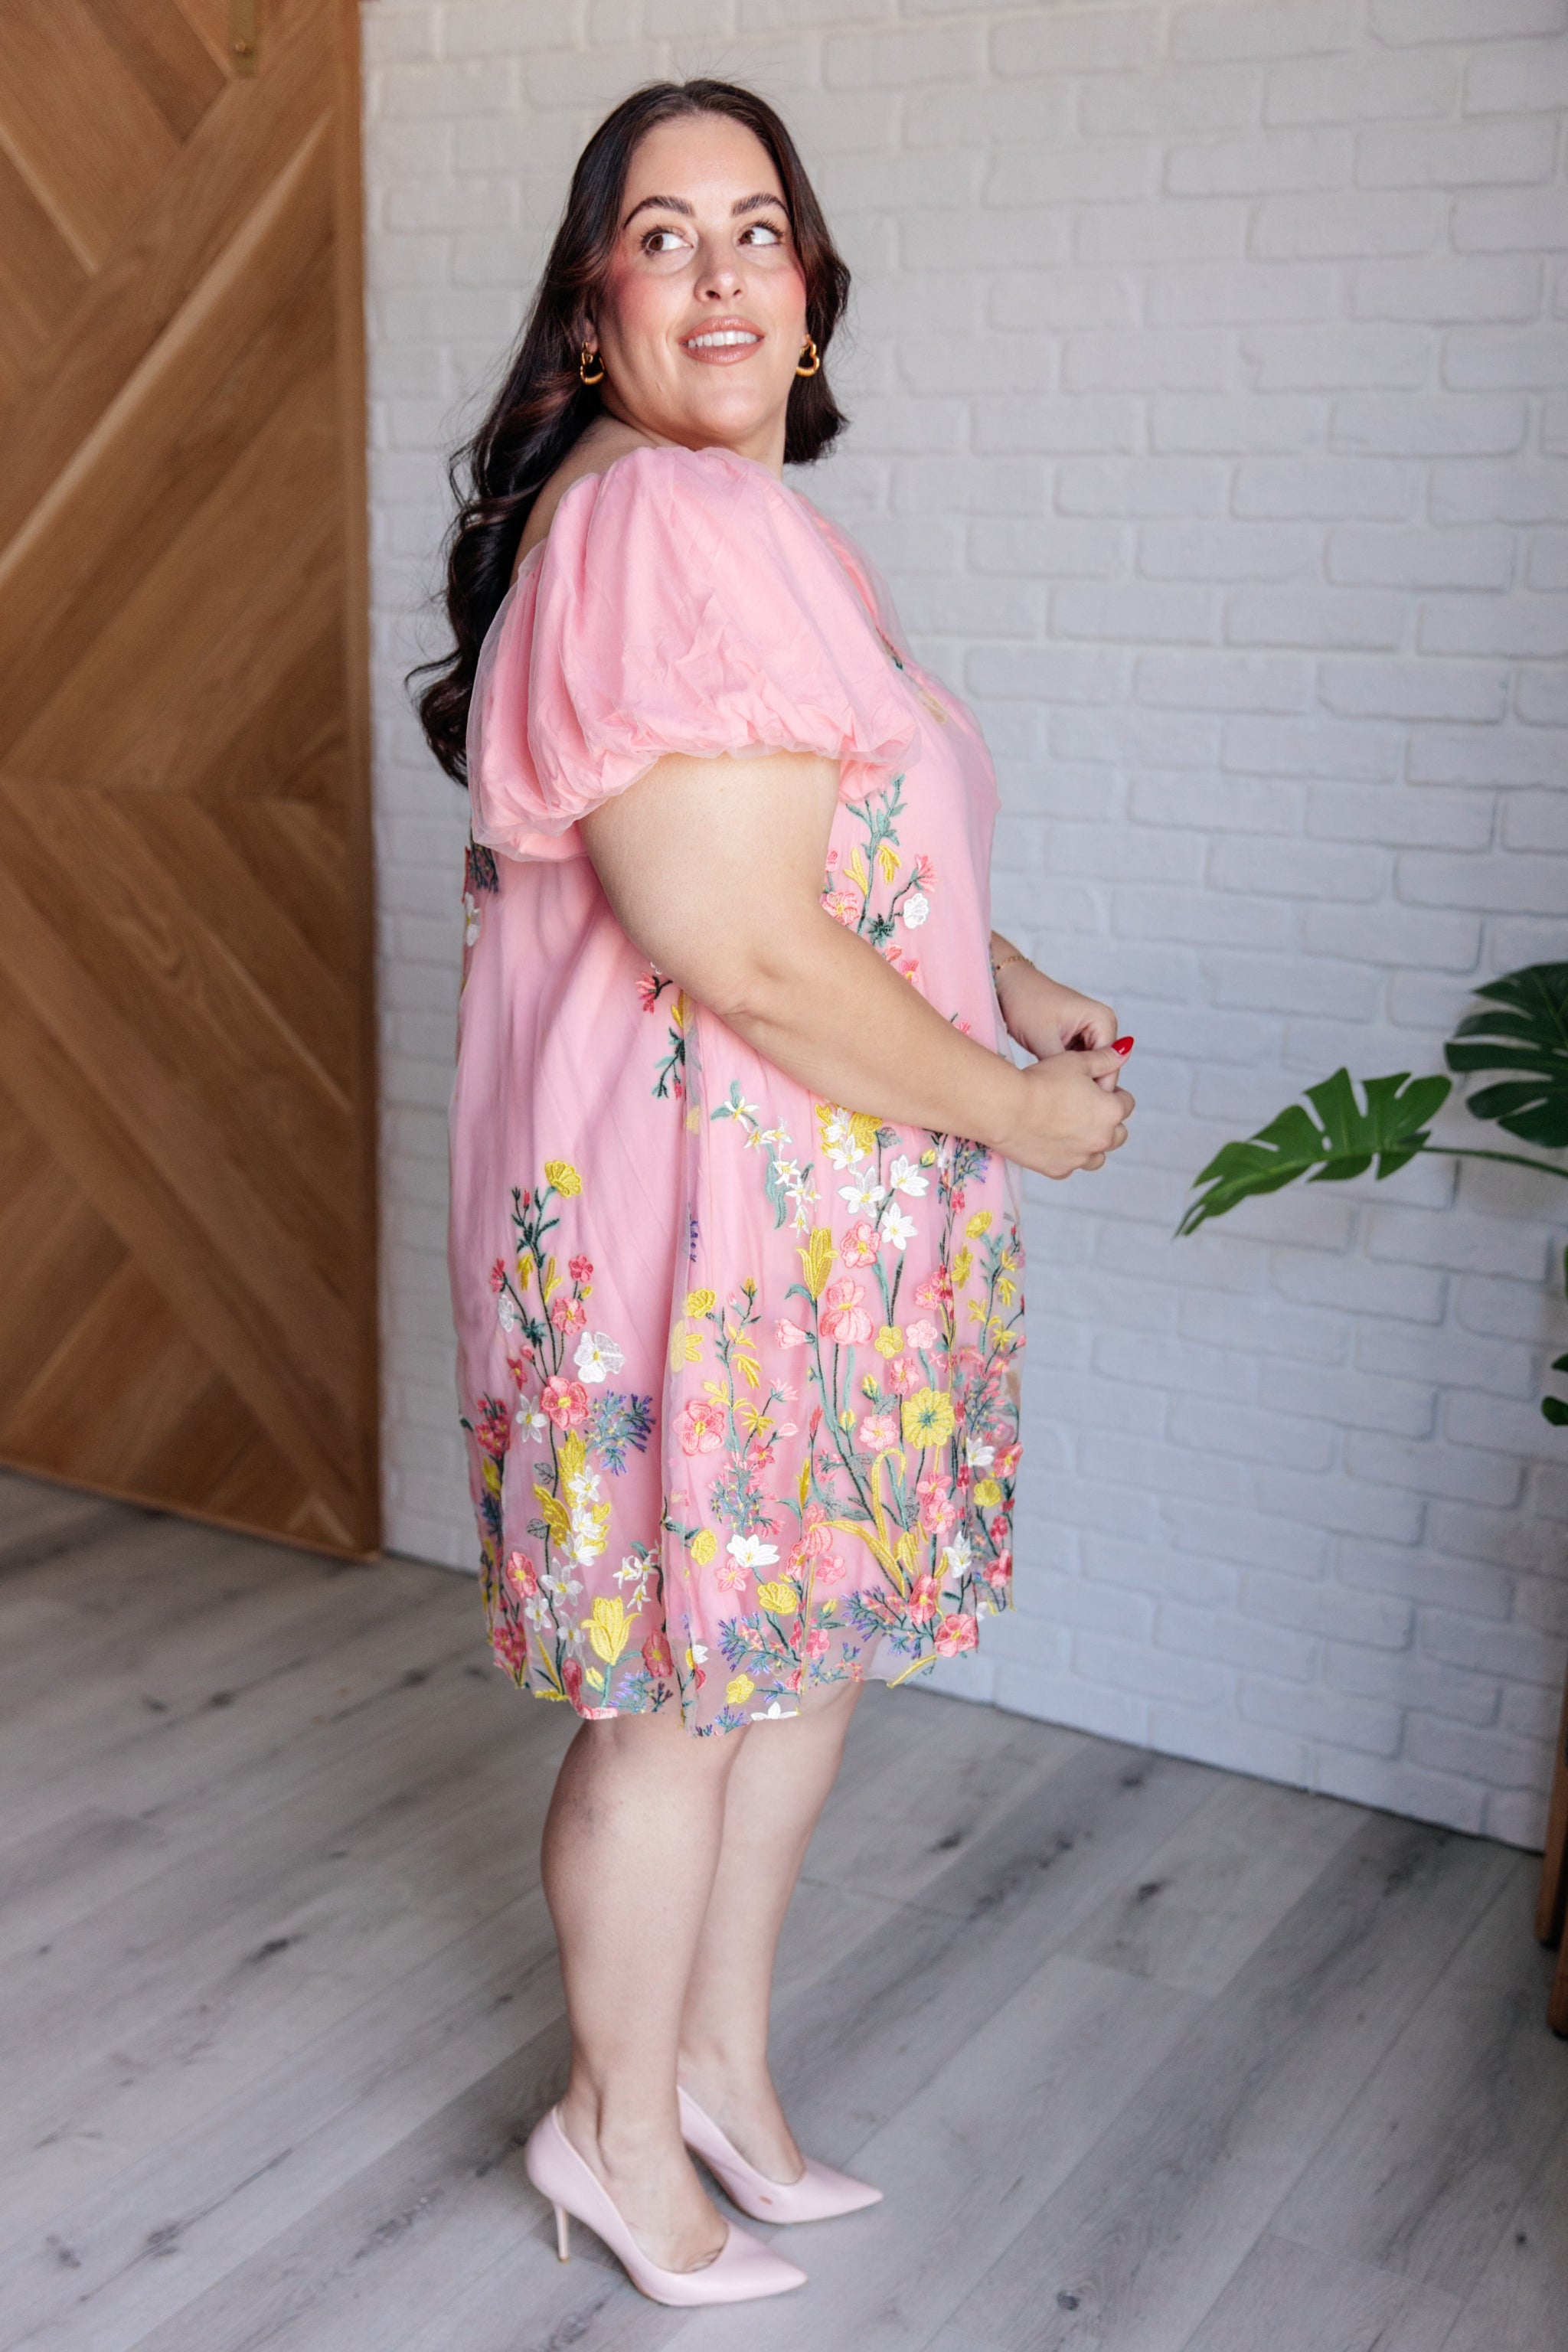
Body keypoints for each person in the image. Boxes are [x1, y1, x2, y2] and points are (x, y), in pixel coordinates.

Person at [415, 77, 1135, 2308]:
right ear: (592, 309)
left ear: (809, 295)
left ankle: (715, 2068)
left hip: (814, 1210)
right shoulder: (657, 526)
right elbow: (724, 936)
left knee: (793, 1668)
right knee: (677, 1700)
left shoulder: (748, 525)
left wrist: (1007, 982)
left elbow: (834, 859)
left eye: (759, 230)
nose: (721, 271)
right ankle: (615, 2133)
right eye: (664, 233)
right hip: (705, 1232)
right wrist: (1006, 1111)